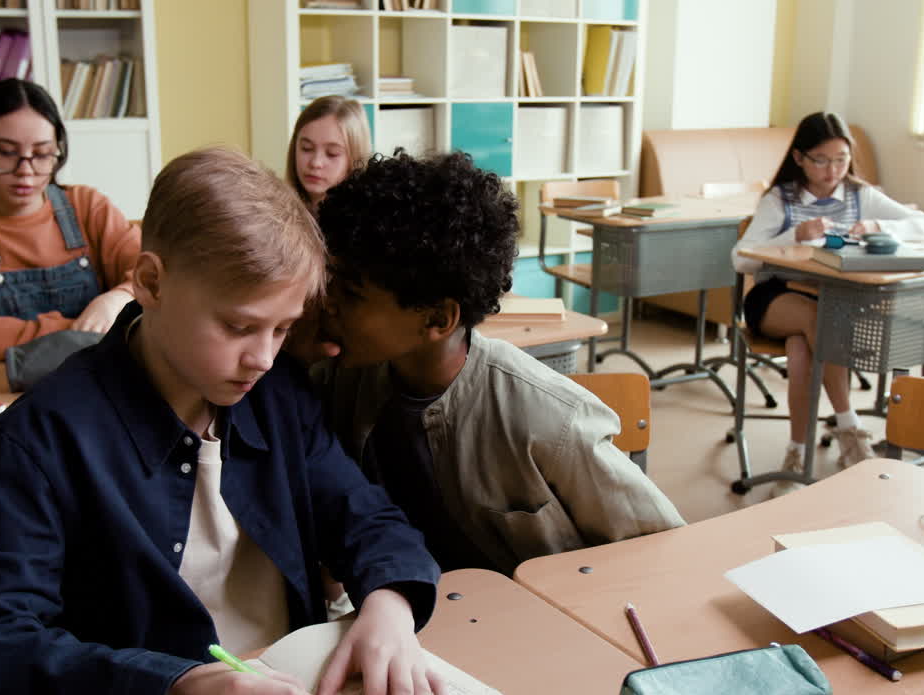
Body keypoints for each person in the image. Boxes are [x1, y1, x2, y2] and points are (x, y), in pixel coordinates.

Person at [0, 147, 446, 695]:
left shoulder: (280, 396)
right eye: (239, 326)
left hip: (291, 691)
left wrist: (389, 604)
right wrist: (169, 691)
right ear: (150, 282)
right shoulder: (34, 444)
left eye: (283, 328)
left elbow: (365, 514)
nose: (264, 357)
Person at [293, 150, 684, 577]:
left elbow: (662, 551)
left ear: (438, 319)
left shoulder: (551, 420)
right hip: (417, 612)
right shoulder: (339, 378)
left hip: (532, 621)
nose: (325, 303)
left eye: (349, 293)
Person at [732, 111, 924, 494]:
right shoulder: (781, 199)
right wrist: (794, 234)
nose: (832, 170)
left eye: (840, 159)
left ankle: (797, 452)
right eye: (821, 160)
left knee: (801, 349)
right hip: (774, 298)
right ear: (799, 158)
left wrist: (876, 225)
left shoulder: (859, 194)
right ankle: (849, 430)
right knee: (820, 320)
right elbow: (741, 258)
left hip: (832, 301)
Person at [0, 78, 140, 365]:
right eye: (7, 153)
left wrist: (118, 299)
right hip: (7, 392)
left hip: (99, 379)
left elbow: (153, 274)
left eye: (42, 153)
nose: (26, 171)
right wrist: (71, 332)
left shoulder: (87, 207)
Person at [284, 95, 372, 213]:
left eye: (332, 153)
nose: (315, 163)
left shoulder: (368, 221)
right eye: (306, 148)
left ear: (356, 158)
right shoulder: (273, 210)